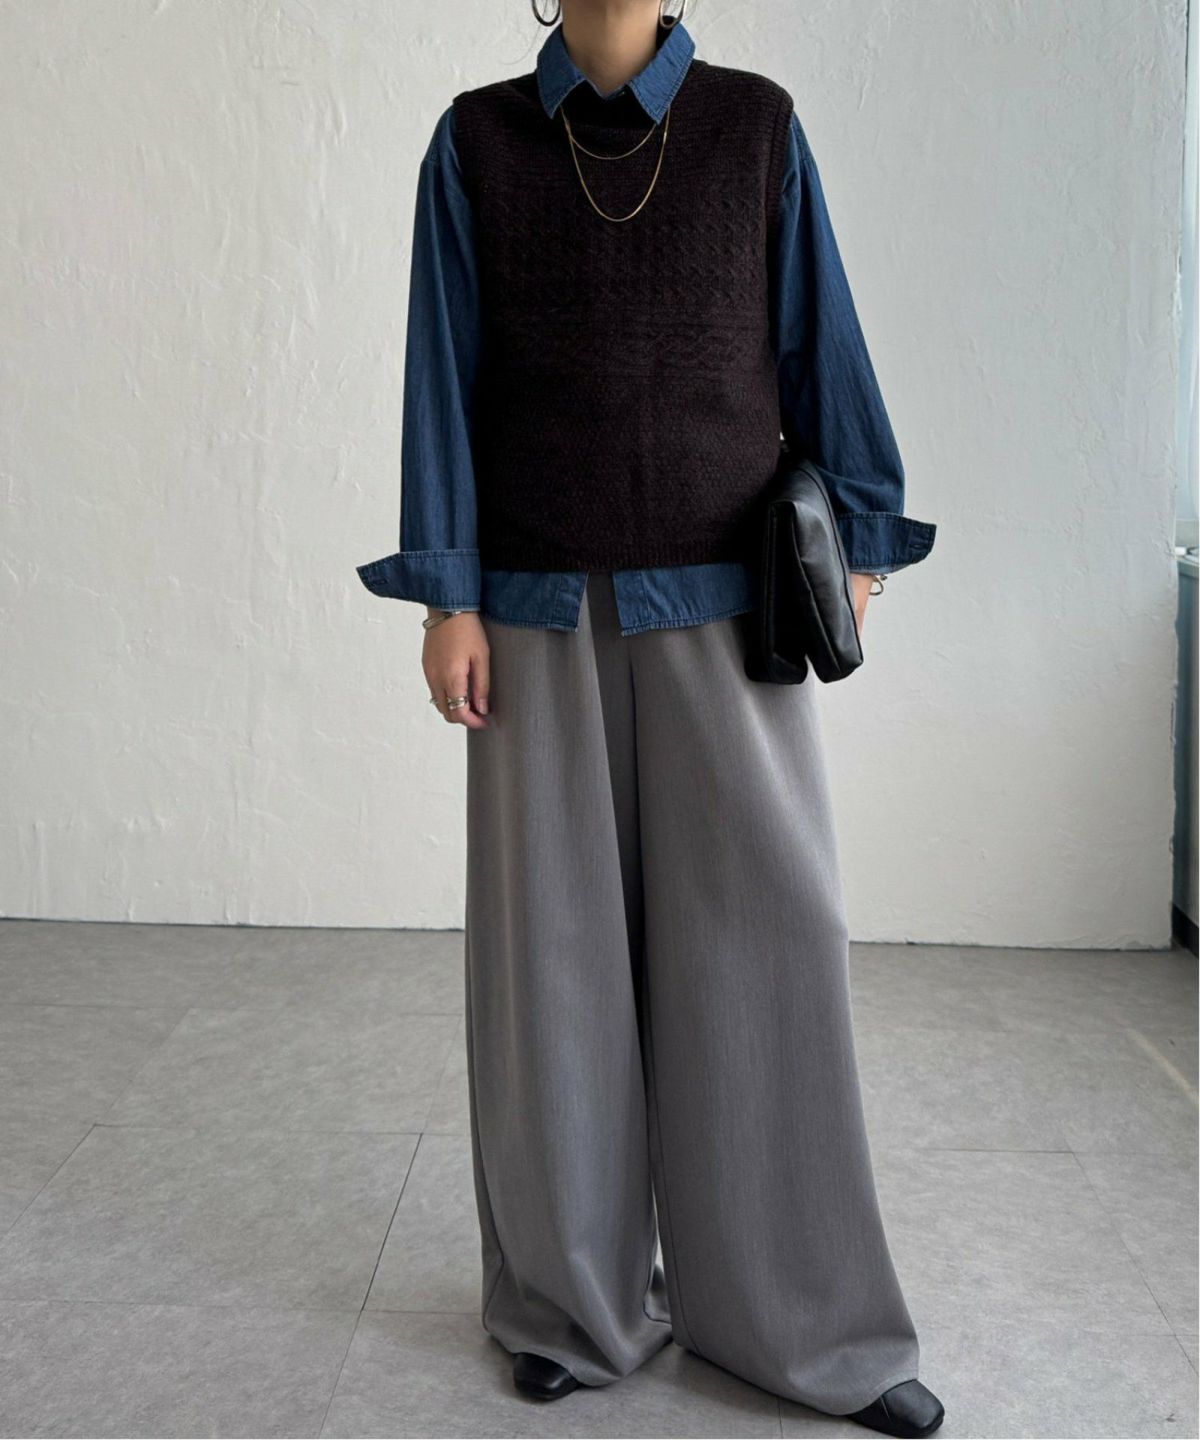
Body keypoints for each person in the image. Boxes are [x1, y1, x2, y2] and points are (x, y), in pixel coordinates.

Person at [356, 2, 942, 1436]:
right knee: (550, 964)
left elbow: (820, 343)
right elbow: (443, 377)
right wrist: (446, 597)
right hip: (532, 607)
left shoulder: (756, 126)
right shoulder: (476, 141)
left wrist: (862, 546)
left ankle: (797, 1319)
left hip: (728, 608)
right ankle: (570, 1305)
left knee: (772, 953)